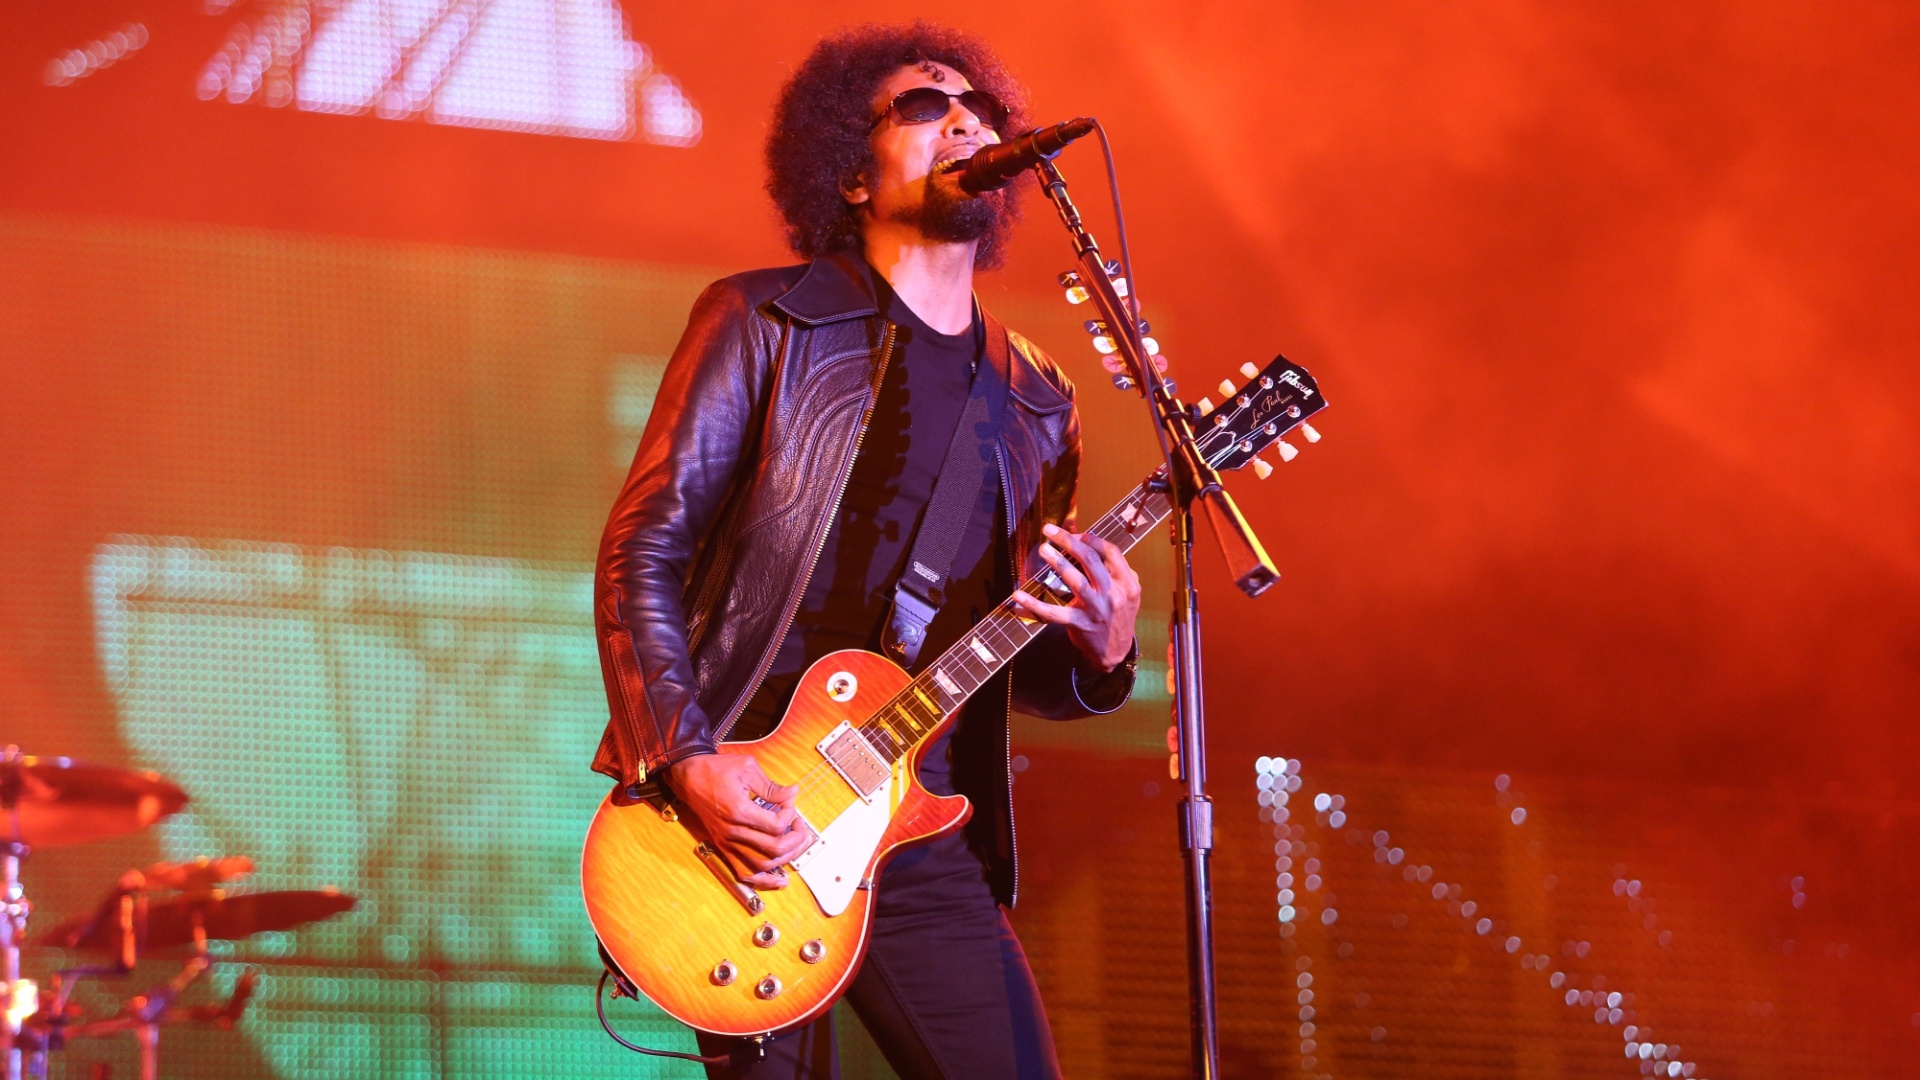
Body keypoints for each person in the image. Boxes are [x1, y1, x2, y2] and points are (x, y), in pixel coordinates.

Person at [591, 22, 1141, 1080]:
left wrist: (1101, 653)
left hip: (919, 828)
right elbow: (641, 553)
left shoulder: (1035, 399)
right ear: (851, 173)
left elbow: (1013, 661)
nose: (965, 120)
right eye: (925, 105)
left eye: (979, 107)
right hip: (748, 812)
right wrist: (689, 759)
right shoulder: (763, 320)